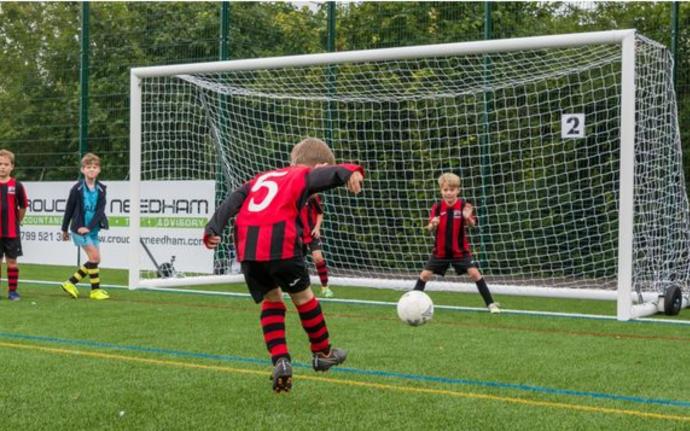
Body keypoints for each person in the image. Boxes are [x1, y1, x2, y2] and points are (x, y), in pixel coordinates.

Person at [204, 137, 364, 393]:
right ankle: (322, 353)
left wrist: (213, 227)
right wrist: (350, 171)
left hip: (248, 249)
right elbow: (324, 177)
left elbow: (233, 200)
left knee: (272, 299)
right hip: (279, 244)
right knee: (304, 298)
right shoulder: (301, 175)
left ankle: (281, 361)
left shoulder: (260, 178)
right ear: (318, 165)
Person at [413, 173, 500, 314]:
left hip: (460, 251)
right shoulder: (437, 207)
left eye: (452, 190)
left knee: (475, 274)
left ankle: (491, 304)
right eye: (445, 190)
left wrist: (468, 218)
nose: (448, 193)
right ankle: (413, 303)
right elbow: (429, 227)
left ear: (458, 190)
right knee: (424, 275)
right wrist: (432, 225)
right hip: (440, 252)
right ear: (441, 190)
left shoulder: (464, 205)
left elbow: (472, 225)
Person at [60, 153, 110, 300]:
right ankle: (95, 291)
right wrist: (64, 229)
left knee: (96, 259)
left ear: (99, 170)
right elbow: (69, 209)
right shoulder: (77, 189)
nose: (91, 170)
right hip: (79, 229)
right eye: (88, 167)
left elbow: (100, 211)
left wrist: (90, 227)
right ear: (83, 170)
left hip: (93, 229)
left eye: (94, 167)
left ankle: (70, 282)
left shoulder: (101, 188)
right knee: (94, 258)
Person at [0, 150, 28, 301]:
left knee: (12, 262)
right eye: (0, 164)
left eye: (6, 164)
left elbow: (23, 206)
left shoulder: (17, 185)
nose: (2, 167)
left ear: (12, 167)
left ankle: (12, 291)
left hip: (11, 232)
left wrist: (17, 221)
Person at [300, 194, 334, 298]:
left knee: (318, 258)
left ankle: (325, 287)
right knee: (296, 262)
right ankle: (296, 288)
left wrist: (317, 228)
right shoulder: (293, 195)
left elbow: (320, 213)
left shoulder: (313, 196)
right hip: (298, 233)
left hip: (312, 232)